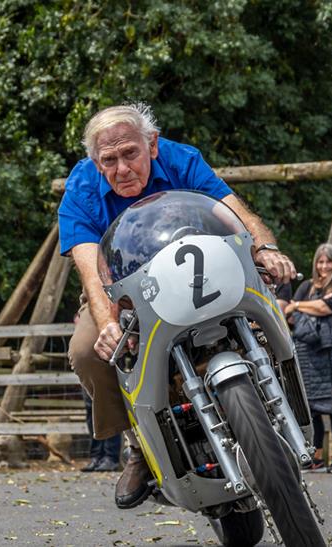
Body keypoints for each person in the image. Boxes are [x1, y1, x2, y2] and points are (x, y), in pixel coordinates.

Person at [58, 103, 296, 509]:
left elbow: (233, 210)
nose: (121, 169)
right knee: (87, 351)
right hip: (124, 289)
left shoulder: (182, 159)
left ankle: (274, 395)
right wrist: (108, 324)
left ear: (151, 145)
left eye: (130, 153)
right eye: (108, 160)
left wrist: (267, 248)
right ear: (96, 163)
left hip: (200, 270)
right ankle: (138, 447)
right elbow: (90, 270)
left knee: (262, 305)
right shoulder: (81, 188)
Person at [283, 243, 332, 473]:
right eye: (320, 261)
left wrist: (299, 306)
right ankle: (316, 456)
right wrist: (304, 307)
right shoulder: (306, 286)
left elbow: (326, 308)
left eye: (329, 262)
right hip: (307, 350)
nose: (324, 266)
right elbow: (288, 314)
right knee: (310, 405)